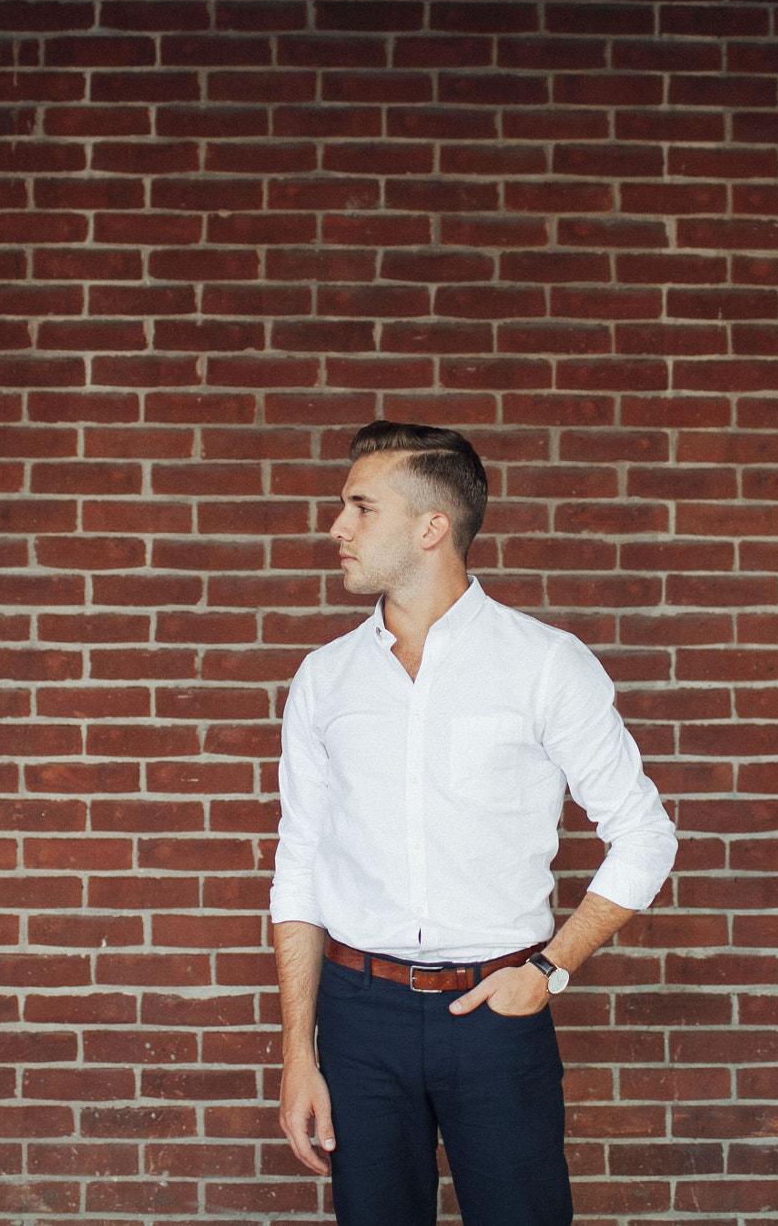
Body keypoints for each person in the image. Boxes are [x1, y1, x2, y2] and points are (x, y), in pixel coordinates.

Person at [270, 420, 679, 1226]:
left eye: (361, 507)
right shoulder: (324, 680)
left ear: (432, 526)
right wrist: (297, 1053)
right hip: (358, 1017)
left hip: (497, 1015)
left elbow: (645, 831)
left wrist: (552, 967)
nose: (337, 528)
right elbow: (300, 863)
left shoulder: (543, 664)